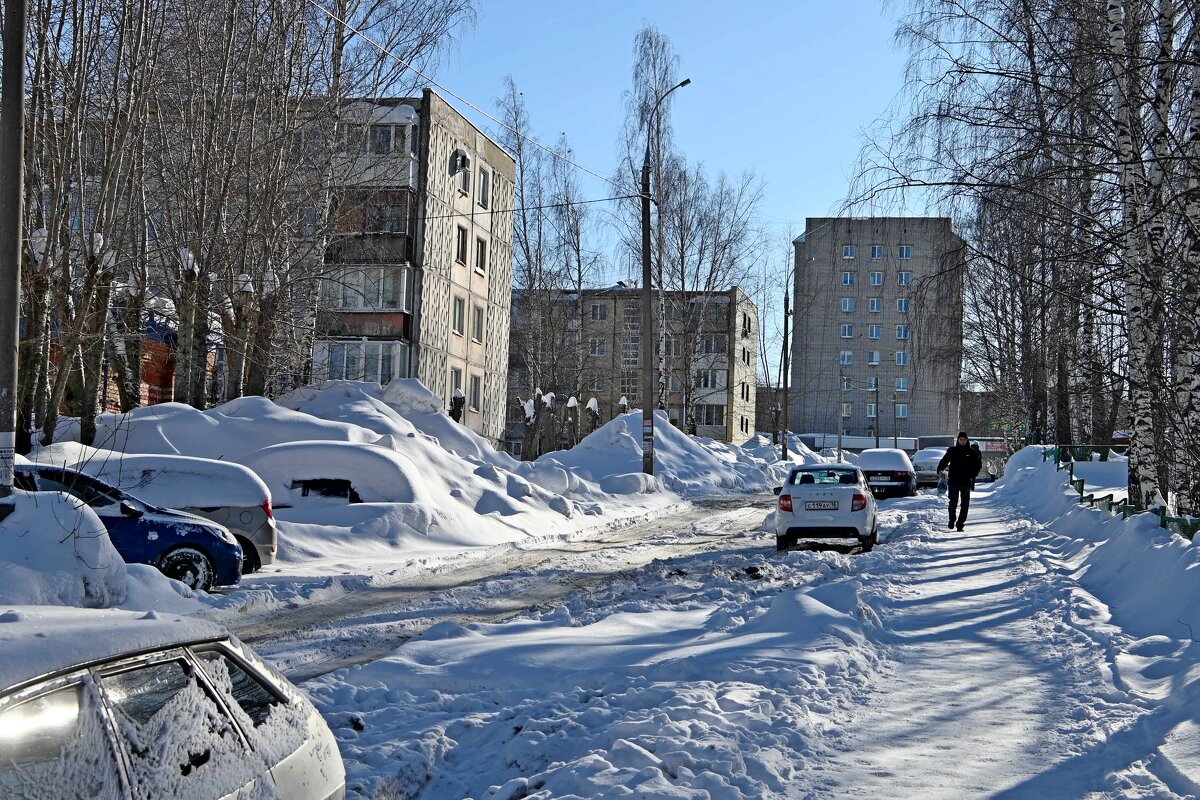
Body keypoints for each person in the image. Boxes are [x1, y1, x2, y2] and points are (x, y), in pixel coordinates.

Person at [937, 432, 983, 531]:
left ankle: (960, 523)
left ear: (967, 440)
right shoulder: (952, 451)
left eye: (964, 440)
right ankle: (951, 519)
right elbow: (944, 460)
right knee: (952, 503)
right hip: (953, 481)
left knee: (965, 504)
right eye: (960, 439)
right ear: (958, 440)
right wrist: (940, 468)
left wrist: (973, 473)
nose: (962, 441)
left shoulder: (972, 452)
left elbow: (978, 464)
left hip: (965, 481)